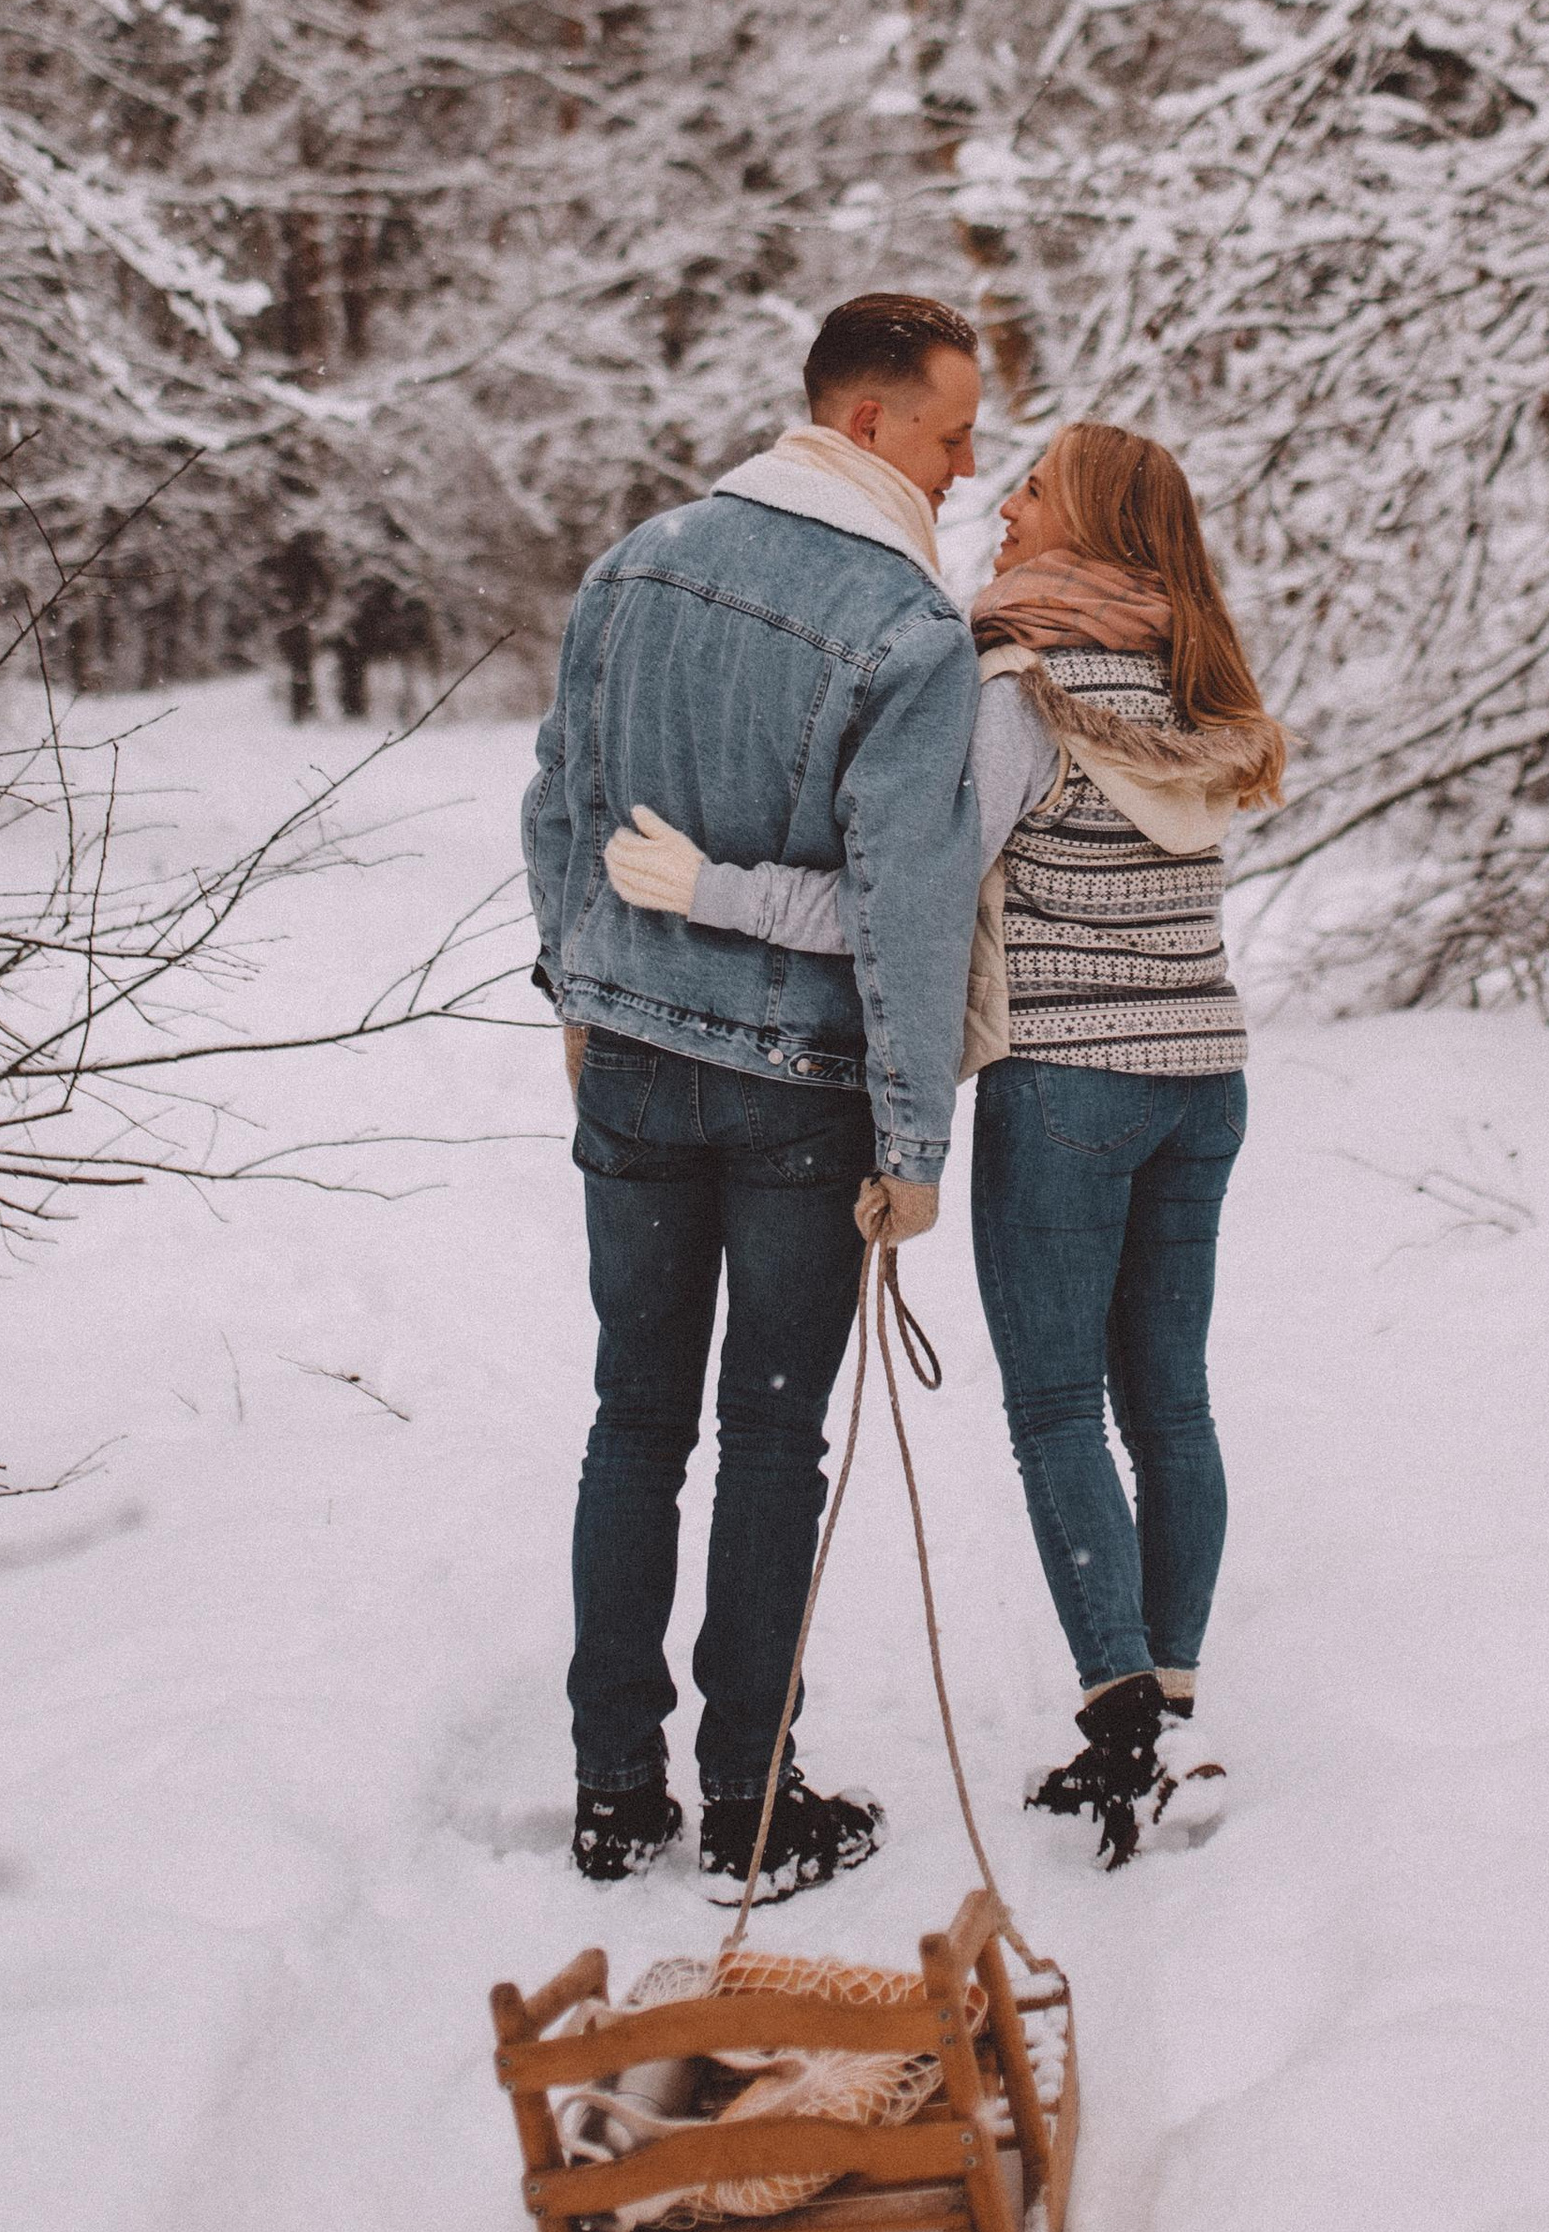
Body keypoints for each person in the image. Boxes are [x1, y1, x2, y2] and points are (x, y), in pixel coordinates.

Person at [609, 421, 1282, 1869]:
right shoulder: (1196, 677)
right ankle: (1167, 1706)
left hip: (1071, 1087)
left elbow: (897, 908)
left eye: (1033, 484)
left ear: (1084, 519)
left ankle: (1127, 1731)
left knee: (1054, 1406)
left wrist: (709, 887)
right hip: (1203, 1080)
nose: (1002, 498)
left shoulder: (1018, 691)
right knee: (1169, 1401)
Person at [522, 292, 985, 1899]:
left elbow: (564, 804)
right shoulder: (911, 632)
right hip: (801, 1086)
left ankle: (611, 1788)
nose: (968, 466)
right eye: (949, 435)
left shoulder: (635, 566)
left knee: (632, 1420)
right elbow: (910, 904)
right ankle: (748, 1797)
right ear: (868, 427)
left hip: (638, 1060)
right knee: (771, 1438)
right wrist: (918, 1139)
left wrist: (574, 982)